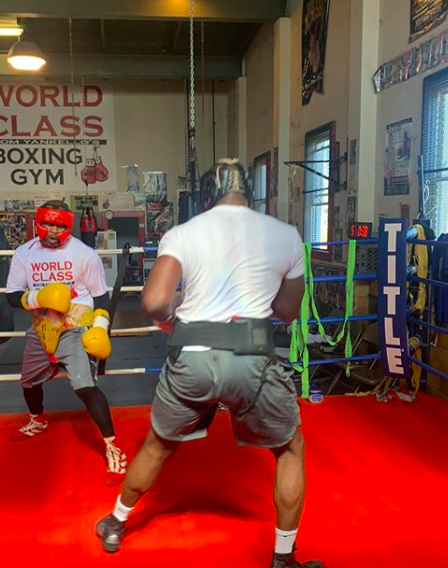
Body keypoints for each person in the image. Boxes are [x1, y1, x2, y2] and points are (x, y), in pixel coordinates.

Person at [96, 159, 324, 567]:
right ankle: (284, 558)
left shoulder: (183, 233)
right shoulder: (286, 235)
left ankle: (115, 521)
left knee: (158, 444)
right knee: (290, 450)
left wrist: (171, 321)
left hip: (193, 359)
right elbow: (289, 311)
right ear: (250, 191)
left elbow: (153, 301)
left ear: (205, 195)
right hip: (252, 357)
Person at [6, 200, 126, 478]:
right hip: (41, 325)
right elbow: (12, 295)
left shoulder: (84, 254)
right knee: (28, 381)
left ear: (68, 225)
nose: (51, 230)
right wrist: (38, 297)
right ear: (38, 222)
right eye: (47, 223)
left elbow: (100, 297)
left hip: (74, 325)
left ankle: (111, 444)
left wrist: (99, 327)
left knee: (85, 386)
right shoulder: (24, 253)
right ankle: (38, 420)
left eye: (58, 224)